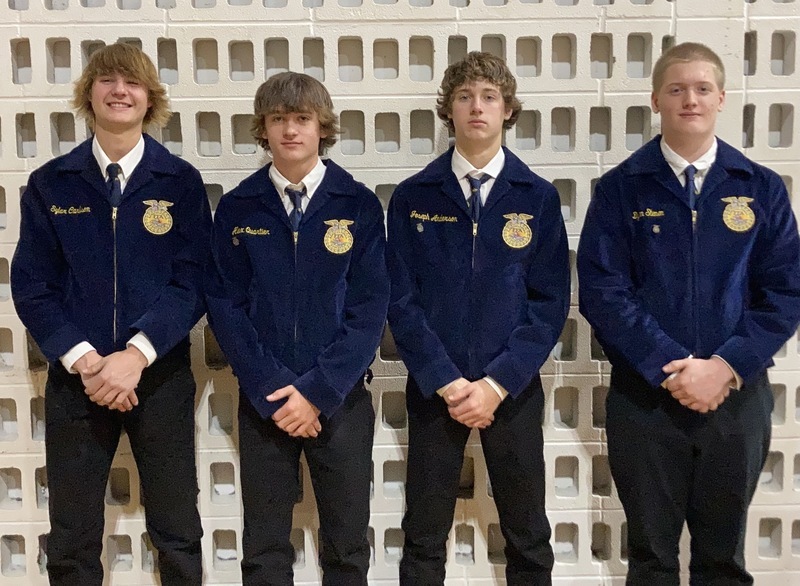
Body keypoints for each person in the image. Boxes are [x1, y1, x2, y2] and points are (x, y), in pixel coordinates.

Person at [577, 42, 800, 585]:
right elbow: (604, 292)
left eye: (702, 89)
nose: (690, 100)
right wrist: (671, 366)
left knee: (722, 561)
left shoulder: (760, 188)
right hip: (646, 399)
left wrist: (724, 366)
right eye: (677, 89)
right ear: (656, 100)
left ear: (721, 98)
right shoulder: (621, 189)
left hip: (735, 397)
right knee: (651, 559)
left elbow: (785, 292)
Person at [10, 43, 209, 585]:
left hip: (159, 377)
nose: (120, 90)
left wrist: (136, 356)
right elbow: (32, 285)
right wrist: (88, 362)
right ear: (89, 93)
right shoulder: (51, 183)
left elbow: (193, 281)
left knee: (177, 529)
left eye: (133, 82)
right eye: (107, 80)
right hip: (79, 381)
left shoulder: (180, 182)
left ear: (150, 98)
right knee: (71, 537)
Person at [386, 51, 569, 585]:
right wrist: (446, 381)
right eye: (464, 97)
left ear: (508, 109)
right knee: (423, 534)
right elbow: (400, 299)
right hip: (435, 390)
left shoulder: (537, 198)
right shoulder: (413, 197)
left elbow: (548, 303)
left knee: (527, 533)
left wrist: (495, 384)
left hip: (510, 390)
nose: (477, 107)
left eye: (489, 97)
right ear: (448, 110)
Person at [205, 72, 389, 585]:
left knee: (347, 545)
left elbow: (369, 307)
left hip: (341, 399)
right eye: (278, 119)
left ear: (322, 127)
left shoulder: (356, 204)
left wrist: (318, 391)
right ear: (262, 129)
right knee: (264, 547)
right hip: (266, 401)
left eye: (302, 119)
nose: (290, 130)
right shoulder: (239, 206)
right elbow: (225, 305)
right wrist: (273, 387)